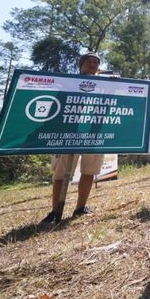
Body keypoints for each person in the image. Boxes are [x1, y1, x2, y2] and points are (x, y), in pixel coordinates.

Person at [41, 52, 105, 224]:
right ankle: (55, 211)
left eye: (96, 62)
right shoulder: (68, 83)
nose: (93, 64)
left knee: (89, 170)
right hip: (69, 134)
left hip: (93, 134)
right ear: (81, 65)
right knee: (61, 173)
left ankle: (80, 208)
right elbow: (56, 108)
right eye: (89, 61)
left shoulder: (104, 85)